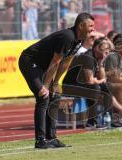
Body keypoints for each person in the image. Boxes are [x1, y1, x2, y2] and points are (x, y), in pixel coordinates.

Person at [18, 12, 95, 149]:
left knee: (55, 95)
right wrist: (46, 85)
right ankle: (40, 140)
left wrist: (55, 83)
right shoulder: (68, 37)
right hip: (30, 61)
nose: (93, 29)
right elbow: (56, 61)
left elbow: (66, 61)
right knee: (44, 96)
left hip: (44, 66)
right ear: (81, 25)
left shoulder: (80, 39)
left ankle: (52, 138)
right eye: (91, 26)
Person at [62, 37, 122, 128]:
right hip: (69, 87)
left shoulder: (99, 58)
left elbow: (102, 78)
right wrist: (99, 81)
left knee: (104, 86)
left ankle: (113, 118)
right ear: (97, 48)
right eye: (105, 49)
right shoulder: (88, 57)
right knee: (96, 88)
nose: (108, 52)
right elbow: (90, 81)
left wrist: (101, 63)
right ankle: (92, 122)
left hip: (82, 85)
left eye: (109, 50)